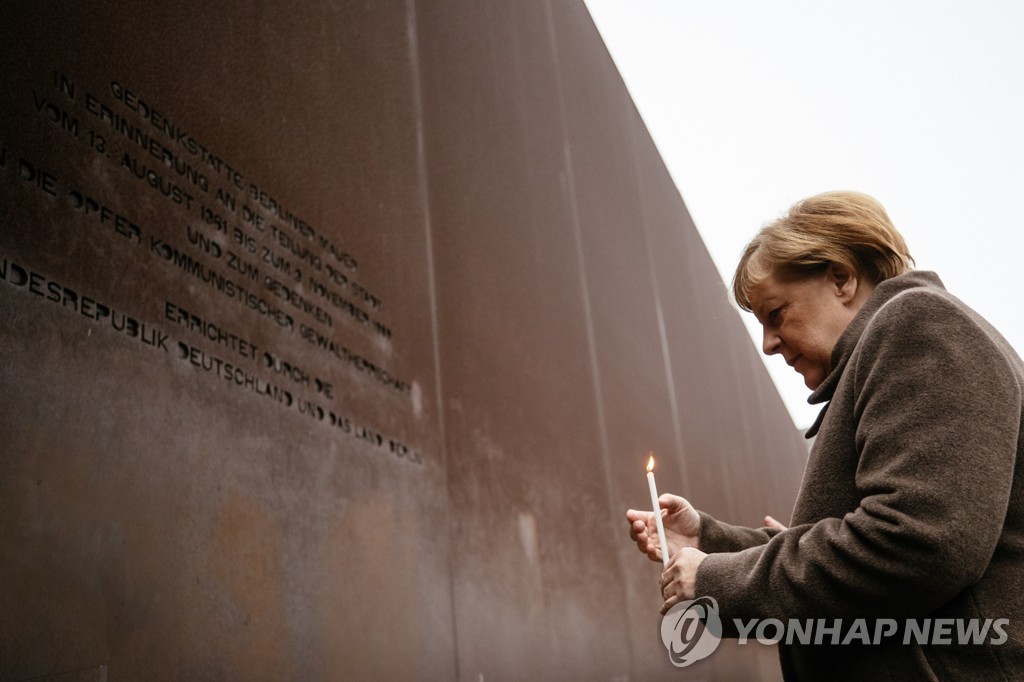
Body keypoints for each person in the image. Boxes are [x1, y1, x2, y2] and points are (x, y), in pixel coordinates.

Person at [627, 191, 1024, 680]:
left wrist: (715, 579)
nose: (769, 345)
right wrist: (711, 540)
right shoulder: (890, 354)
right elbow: (863, 543)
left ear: (841, 278)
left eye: (776, 314)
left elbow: (915, 544)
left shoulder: (919, 325)